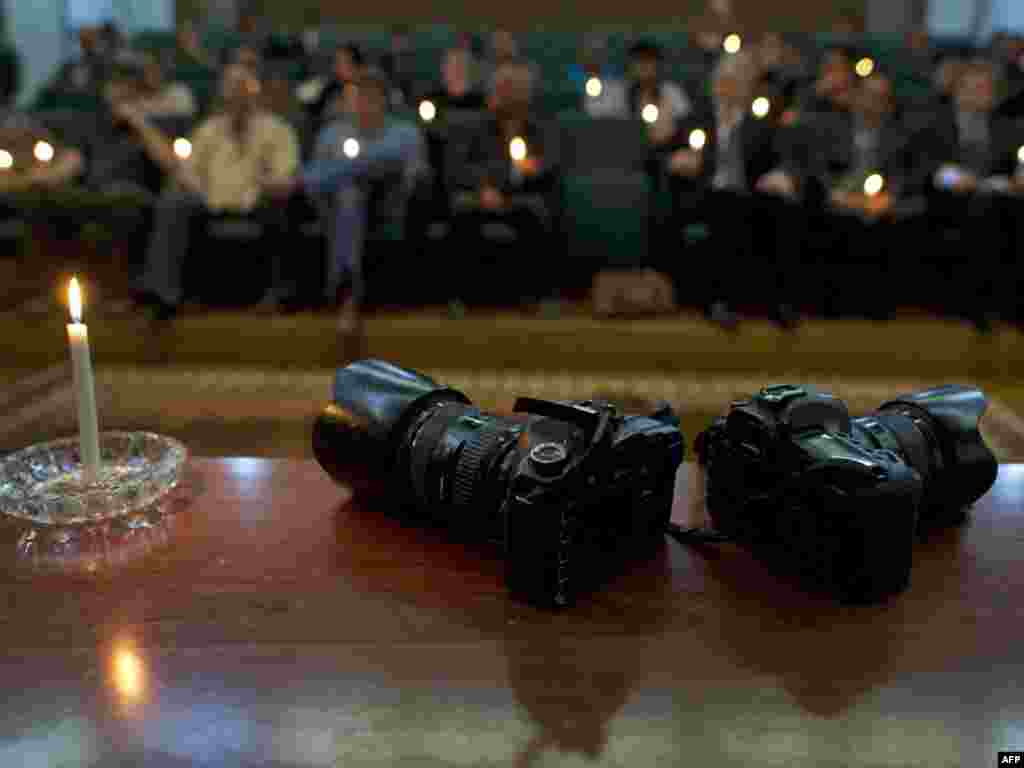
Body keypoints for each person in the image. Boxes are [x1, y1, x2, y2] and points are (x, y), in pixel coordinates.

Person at [124, 63, 300, 320]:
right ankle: (164, 294)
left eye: (242, 87)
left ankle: (276, 295)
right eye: (230, 88)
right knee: (174, 200)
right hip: (210, 200)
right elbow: (188, 171)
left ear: (254, 91)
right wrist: (196, 188)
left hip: (258, 200)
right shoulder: (209, 130)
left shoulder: (277, 130)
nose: (236, 95)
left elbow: (284, 175)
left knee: (280, 203)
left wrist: (265, 185)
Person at [269, 67, 426, 331]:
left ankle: (343, 289)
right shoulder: (332, 134)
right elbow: (320, 180)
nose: (364, 104)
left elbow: (400, 170)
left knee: (350, 191)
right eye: (358, 97)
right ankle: (349, 292)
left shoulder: (405, 134)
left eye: (371, 97)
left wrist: (302, 181)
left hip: (387, 208)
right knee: (348, 196)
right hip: (332, 210)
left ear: (384, 101)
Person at [658, 50, 804, 330]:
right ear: (714, 84)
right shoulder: (695, 119)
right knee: (726, 208)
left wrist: (782, 176)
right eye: (725, 81)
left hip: (748, 196)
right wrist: (676, 160)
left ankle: (777, 303)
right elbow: (665, 154)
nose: (729, 88)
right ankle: (720, 302)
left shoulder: (758, 125)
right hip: (706, 195)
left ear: (748, 88)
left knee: (779, 208)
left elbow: (782, 161)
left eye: (738, 81)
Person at [446, 58, 562, 310]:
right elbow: (459, 169)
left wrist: (520, 175)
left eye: (513, 88)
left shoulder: (542, 128)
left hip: (526, 197)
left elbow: (549, 167)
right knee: (462, 210)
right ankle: (463, 297)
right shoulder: (476, 128)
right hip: (481, 195)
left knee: (534, 211)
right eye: (501, 87)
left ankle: (534, 296)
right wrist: (486, 187)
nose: (506, 94)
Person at [920, 59, 1024, 331]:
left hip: (1000, 198)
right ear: (959, 92)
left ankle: (1008, 306)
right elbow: (925, 165)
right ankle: (978, 306)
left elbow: (1016, 164)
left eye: (988, 88)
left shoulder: (1008, 126)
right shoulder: (936, 123)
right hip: (949, 198)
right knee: (980, 213)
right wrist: (952, 177)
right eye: (977, 88)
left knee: (996, 209)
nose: (984, 94)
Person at [297, 44, 364, 126]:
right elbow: (312, 110)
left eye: (340, 62)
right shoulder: (329, 88)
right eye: (334, 62)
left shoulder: (368, 90)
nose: (335, 67)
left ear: (355, 65)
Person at [571, 37, 628, 118]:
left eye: (597, 52)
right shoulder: (574, 79)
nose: (593, 56)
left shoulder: (616, 85)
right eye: (589, 51)